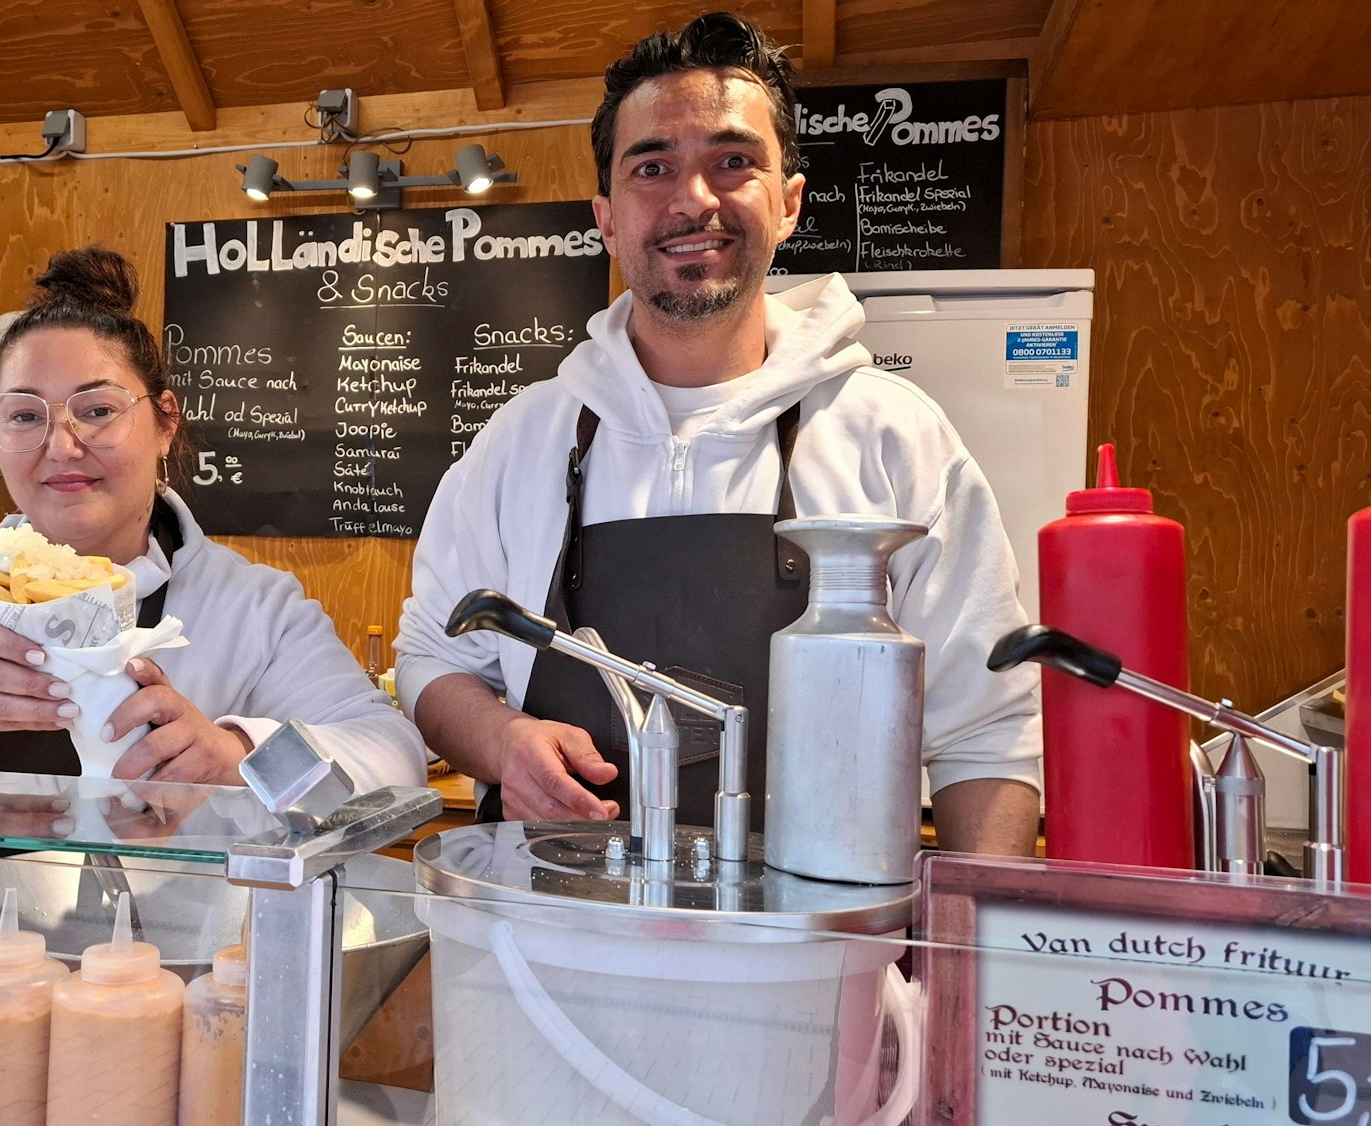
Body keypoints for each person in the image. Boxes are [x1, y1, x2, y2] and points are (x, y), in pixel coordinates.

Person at [394, 11, 1039, 855]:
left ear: (789, 204)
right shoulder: (523, 440)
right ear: (606, 217)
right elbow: (431, 661)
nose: (692, 199)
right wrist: (500, 741)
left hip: (817, 967)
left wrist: (964, 969)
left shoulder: (894, 437)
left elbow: (985, 732)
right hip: (553, 957)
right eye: (651, 167)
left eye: (732, 162)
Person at [0, 247, 427, 802]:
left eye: (96, 410)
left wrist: (235, 757)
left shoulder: (257, 608)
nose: (61, 447)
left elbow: (392, 756)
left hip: (165, 940)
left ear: (165, 422)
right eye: (25, 416)